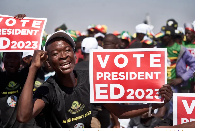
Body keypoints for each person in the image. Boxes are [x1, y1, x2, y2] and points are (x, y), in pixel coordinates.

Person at [17, 30, 172, 128]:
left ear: (74, 54)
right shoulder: (49, 89)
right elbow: (23, 116)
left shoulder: (91, 80)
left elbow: (120, 112)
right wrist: (33, 68)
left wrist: (154, 104)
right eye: (56, 53)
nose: (63, 56)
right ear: (48, 61)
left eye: (67, 50)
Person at [0, 52, 37, 127]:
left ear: (21, 60)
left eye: (16, 57)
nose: (12, 61)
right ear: (2, 59)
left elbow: (37, 63)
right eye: (8, 57)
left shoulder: (27, 76)